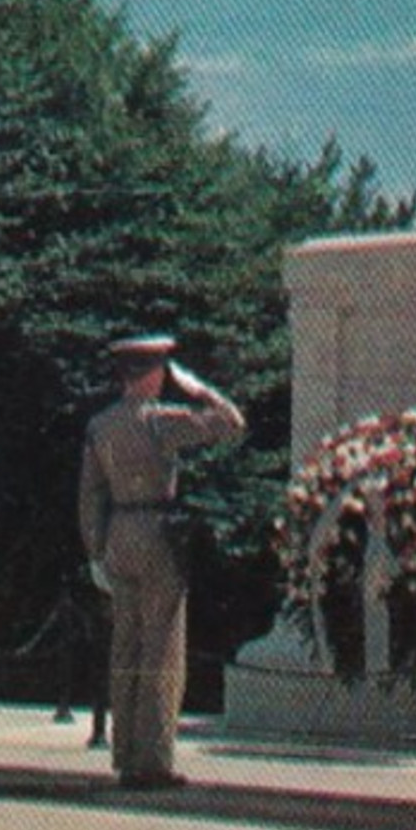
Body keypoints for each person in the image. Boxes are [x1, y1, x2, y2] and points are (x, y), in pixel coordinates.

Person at [78, 335, 245, 789]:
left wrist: (95, 550)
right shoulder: (160, 421)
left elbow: (90, 494)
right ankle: (154, 759)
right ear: (152, 373)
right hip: (155, 530)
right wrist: (199, 391)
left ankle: (126, 754)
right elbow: (231, 422)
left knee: (126, 647)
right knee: (162, 649)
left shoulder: (102, 425)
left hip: (118, 533)